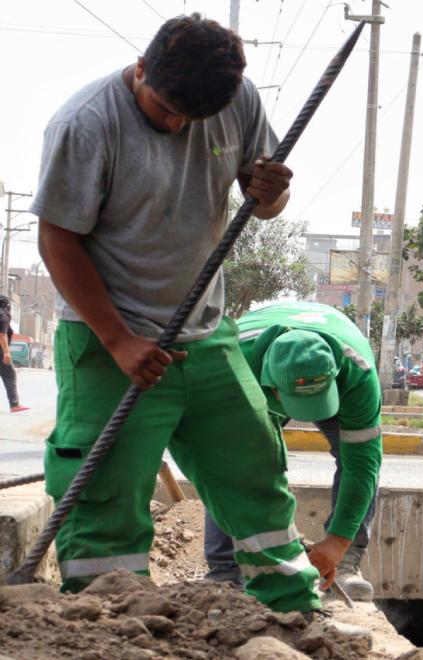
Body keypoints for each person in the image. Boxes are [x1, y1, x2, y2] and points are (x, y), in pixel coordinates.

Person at [31, 14, 321, 613]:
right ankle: (106, 626)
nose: (179, 124)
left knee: (255, 471)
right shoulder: (86, 124)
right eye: (167, 110)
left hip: (208, 336)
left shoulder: (233, 98)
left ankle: (295, 614)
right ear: (141, 69)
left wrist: (270, 192)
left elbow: (264, 200)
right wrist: (117, 341)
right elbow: (57, 242)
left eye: (194, 116)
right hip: (108, 338)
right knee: (104, 496)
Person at [204, 301, 382, 602]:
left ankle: (348, 561)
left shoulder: (358, 376)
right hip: (252, 374)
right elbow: (222, 463)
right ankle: (226, 570)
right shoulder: (230, 365)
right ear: (271, 384)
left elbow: (362, 466)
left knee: (356, 459)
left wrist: (337, 542)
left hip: (336, 361)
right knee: (234, 459)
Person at [0, 295, 30, 413]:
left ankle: (14, 404)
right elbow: (1, 335)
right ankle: (14, 404)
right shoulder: (3, 316)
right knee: (10, 374)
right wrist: (7, 352)